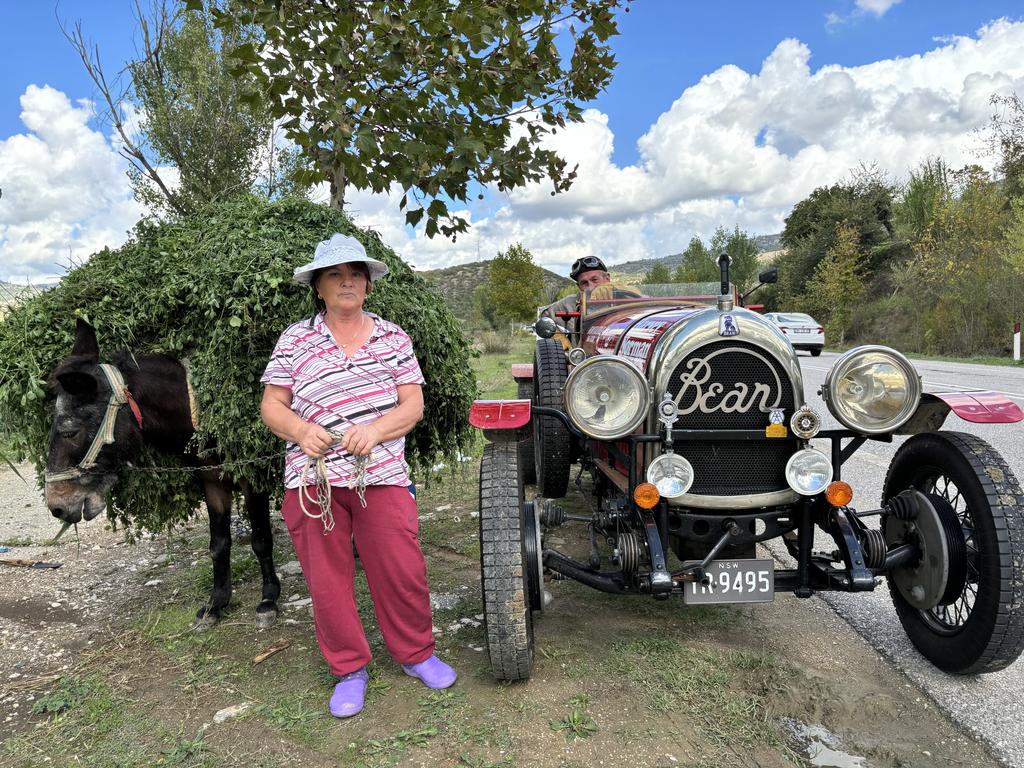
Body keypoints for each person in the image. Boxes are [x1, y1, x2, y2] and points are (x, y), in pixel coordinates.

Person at [260, 233, 455, 719]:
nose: (347, 281)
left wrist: (375, 429)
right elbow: (271, 405)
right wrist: (302, 430)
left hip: (382, 475)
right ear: (319, 287)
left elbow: (413, 404)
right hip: (314, 482)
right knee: (327, 581)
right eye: (335, 275)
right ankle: (349, 669)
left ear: (367, 286)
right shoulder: (295, 339)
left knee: (401, 569)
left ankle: (416, 654)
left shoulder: (394, 337)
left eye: (356, 274)